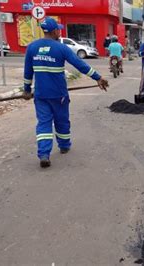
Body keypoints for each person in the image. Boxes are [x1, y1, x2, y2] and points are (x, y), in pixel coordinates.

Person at [22, 17, 109, 168]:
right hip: (58, 95)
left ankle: (44, 154)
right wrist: (98, 77)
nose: (59, 32)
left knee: (44, 124)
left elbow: (28, 72)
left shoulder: (32, 47)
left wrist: (27, 90)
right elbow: (80, 64)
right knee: (61, 121)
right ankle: (64, 146)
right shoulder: (61, 48)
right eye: (58, 29)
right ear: (55, 31)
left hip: (41, 95)